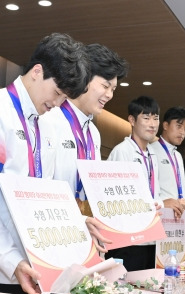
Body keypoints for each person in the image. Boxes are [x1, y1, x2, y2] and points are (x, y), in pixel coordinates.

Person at [0, 33, 93, 294]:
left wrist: (78, 222)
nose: (57, 104)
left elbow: (48, 193)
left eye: (65, 98)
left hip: (41, 263)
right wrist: (12, 261)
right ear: (37, 71)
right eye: (57, 93)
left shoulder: (47, 122)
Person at [43, 42, 128, 212]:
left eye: (113, 89)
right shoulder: (50, 119)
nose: (110, 95)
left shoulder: (93, 134)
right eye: (105, 86)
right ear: (84, 76)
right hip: (53, 221)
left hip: (84, 225)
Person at [106, 96, 163, 270]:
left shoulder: (152, 154)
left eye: (156, 118)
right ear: (131, 120)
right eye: (146, 118)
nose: (152, 124)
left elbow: (156, 191)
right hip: (127, 240)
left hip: (149, 236)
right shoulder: (122, 151)